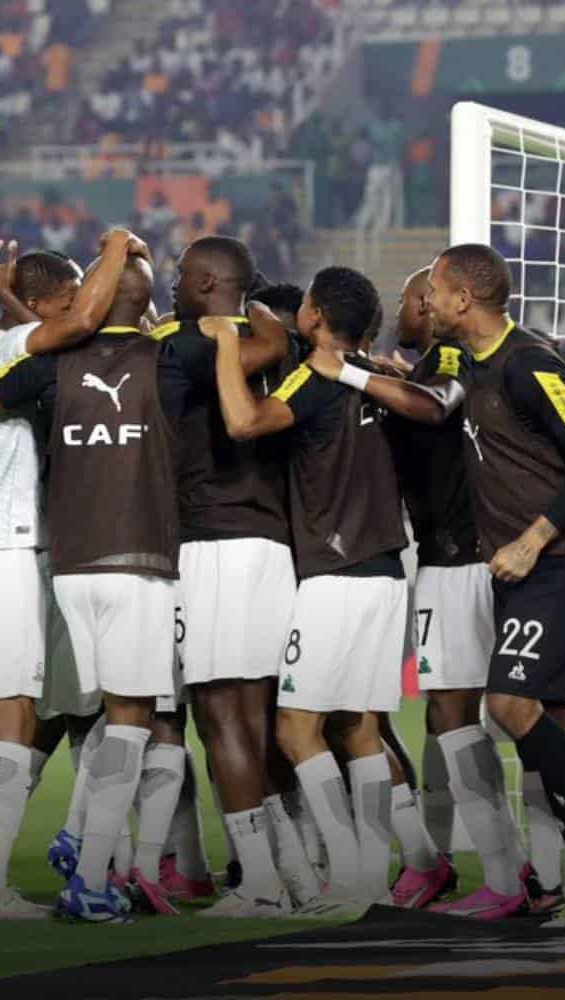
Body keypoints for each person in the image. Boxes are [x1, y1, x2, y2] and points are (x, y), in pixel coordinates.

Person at [0, 245, 188, 923]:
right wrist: (116, 246)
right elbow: (75, 324)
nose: (80, 313)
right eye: (69, 302)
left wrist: (1, 299)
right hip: (2, 551)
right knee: (15, 722)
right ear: (45, 309)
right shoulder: (25, 346)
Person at [421, 244, 565, 927]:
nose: (427, 301)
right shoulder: (473, 362)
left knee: (508, 704)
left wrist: (533, 537)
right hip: (523, 565)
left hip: (561, 558)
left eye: (435, 289)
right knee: (550, 717)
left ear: (463, 299)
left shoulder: (529, 364)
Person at [324, 266, 535, 916]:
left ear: (428, 302)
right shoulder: (433, 364)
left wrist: (352, 373)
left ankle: (503, 876)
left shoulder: (446, 355)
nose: (404, 312)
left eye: (410, 301)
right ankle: (533, 867)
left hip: (457, 560)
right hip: (468, 555)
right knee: (475, 716)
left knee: (452, 715)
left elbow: (436, 402)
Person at [208, 266, 407, 917]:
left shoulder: (316, 377)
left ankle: (347, 876)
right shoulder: (378, 377)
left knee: (297, 730)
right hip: (384, 569)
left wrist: (226, 345)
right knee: (361, 728)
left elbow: (244, 421)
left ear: (315, 317)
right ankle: (372, 878)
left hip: (334, 573)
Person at [154, 236, 316, 917]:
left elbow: (252, 352)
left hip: (215, 544)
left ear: (208, 282)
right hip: (273, 546)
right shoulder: (282, 341)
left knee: (221, 718)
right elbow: (271, 347)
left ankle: (260, 883)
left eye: (181, 275)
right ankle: (297, 873)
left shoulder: (196, 341)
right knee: (259, 719)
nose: (171, 286)